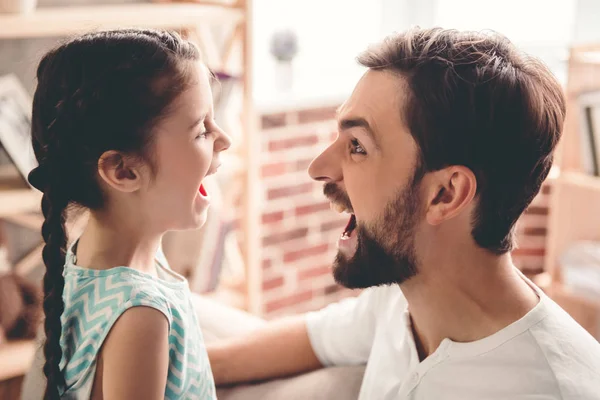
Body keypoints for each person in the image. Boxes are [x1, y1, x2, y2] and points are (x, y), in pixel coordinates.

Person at [207, 27, 600, 399]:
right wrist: (181, 370)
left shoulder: (555, 388)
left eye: (357, 146)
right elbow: (317, 336)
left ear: (445, 194)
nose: (319, 168)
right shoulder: (403, 298)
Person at [28, 28, 231, 399]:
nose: (225, 139)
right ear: (123, 171)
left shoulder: (86, 260)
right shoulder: (140, 316)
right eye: (201, 129)